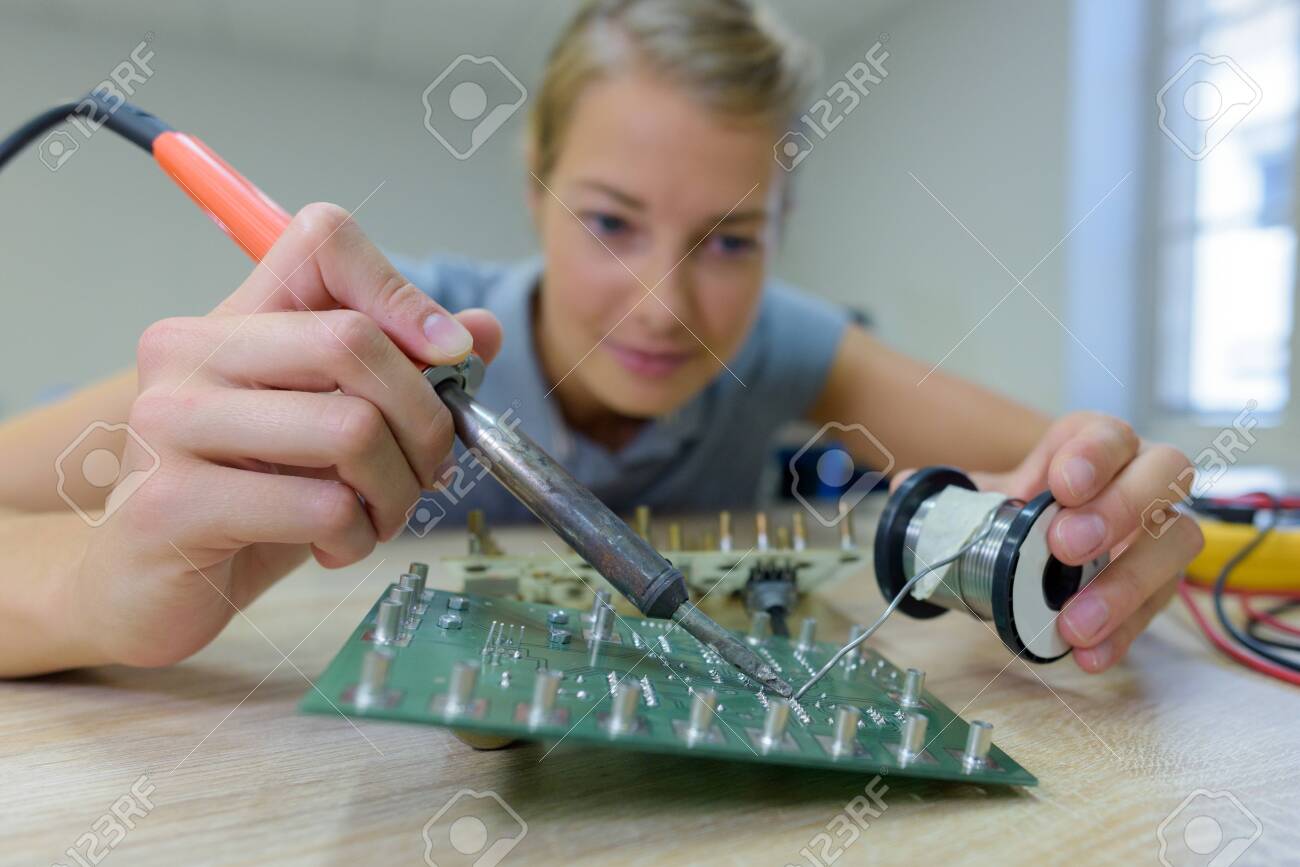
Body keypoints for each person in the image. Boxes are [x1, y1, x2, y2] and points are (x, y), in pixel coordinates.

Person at [0, 0, 1201, 678]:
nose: (663, 308)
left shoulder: (787, 346)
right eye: (613, 222)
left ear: (786, 232)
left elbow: (1064, 466)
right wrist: (82, 595)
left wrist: (1095, 513)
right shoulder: (366, 335)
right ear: (533, 188)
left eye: (730, 240)